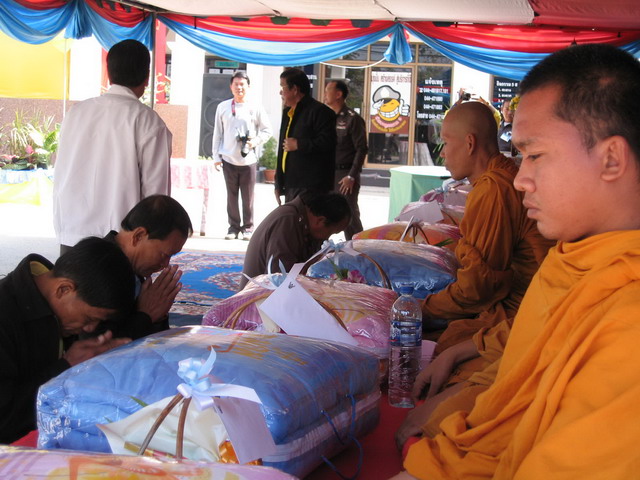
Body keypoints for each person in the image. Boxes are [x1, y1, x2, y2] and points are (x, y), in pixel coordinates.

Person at [392, 43, 640, 479]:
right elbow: (529, 347)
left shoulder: (628, 324)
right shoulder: (572, 258)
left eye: (535, 156)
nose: (522, 179)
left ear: (611, 159)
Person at [422, 101, 552, 348]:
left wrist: (420, 308)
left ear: (470, 143)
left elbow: (478, 289)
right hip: (525, 302)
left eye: (446, 143)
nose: (443, 153)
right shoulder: (503, 174)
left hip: (528, 311)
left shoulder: (494, 189)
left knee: (440, 348)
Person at [0, 237, 136, 444]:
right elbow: (4, 418)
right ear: (64, 289)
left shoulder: (55, 305)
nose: (90, 329)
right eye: (89, 319)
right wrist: (66, 367)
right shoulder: (5, 315)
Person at [53, 39, 172, 255]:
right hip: (122, 242)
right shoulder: (148, 121)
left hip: (72, 233)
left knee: (71, 278)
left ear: (108, 73)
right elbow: (155, 197)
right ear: (147, 77)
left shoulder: (76, 113)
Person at [98, 194, 193, 340]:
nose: (165, 264)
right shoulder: (99, 269)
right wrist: (146, 316)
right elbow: (99, 345)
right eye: (164, 254)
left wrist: (158, 313)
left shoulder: (132, 267)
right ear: (139, 236)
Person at [239, 192, 350, 290]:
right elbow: (280, 277)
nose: (327, 239)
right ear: (320, 221)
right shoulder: (287, 221)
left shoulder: (301, 220)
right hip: (257, 298)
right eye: (331, 232)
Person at [212, 71, 272, 241]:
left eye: (242, 84)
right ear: (231, 87)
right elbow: (217, 133)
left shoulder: (255, 107)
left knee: (248, 197)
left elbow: (267, 130)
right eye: (236, 84)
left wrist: (255, 141)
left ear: (248, 87)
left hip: (248, 160)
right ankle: (233, 228)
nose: (239, 87)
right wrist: (216, 157)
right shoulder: (222, 107)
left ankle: (248, 227)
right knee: (231, 196)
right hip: (228, 159)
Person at [275, 68, 337, 204]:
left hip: (311, 186)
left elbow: (328, 142)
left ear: (294, 89)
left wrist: (299, 144)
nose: (280, 92)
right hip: (290, 183)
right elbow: (282, 149)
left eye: (283, 87)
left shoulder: (320, 112)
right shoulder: (287, 112)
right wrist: (278, 183)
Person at [324, 80, 368, 240]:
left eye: (328, 90)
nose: (325, 94)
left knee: (349, 216)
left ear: (338, 94)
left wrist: (351, 176)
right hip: (328, 173)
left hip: (345, 175)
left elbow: (362, 149)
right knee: (325, 215)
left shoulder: (352, 119)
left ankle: (359, 248)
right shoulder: (327, 117)